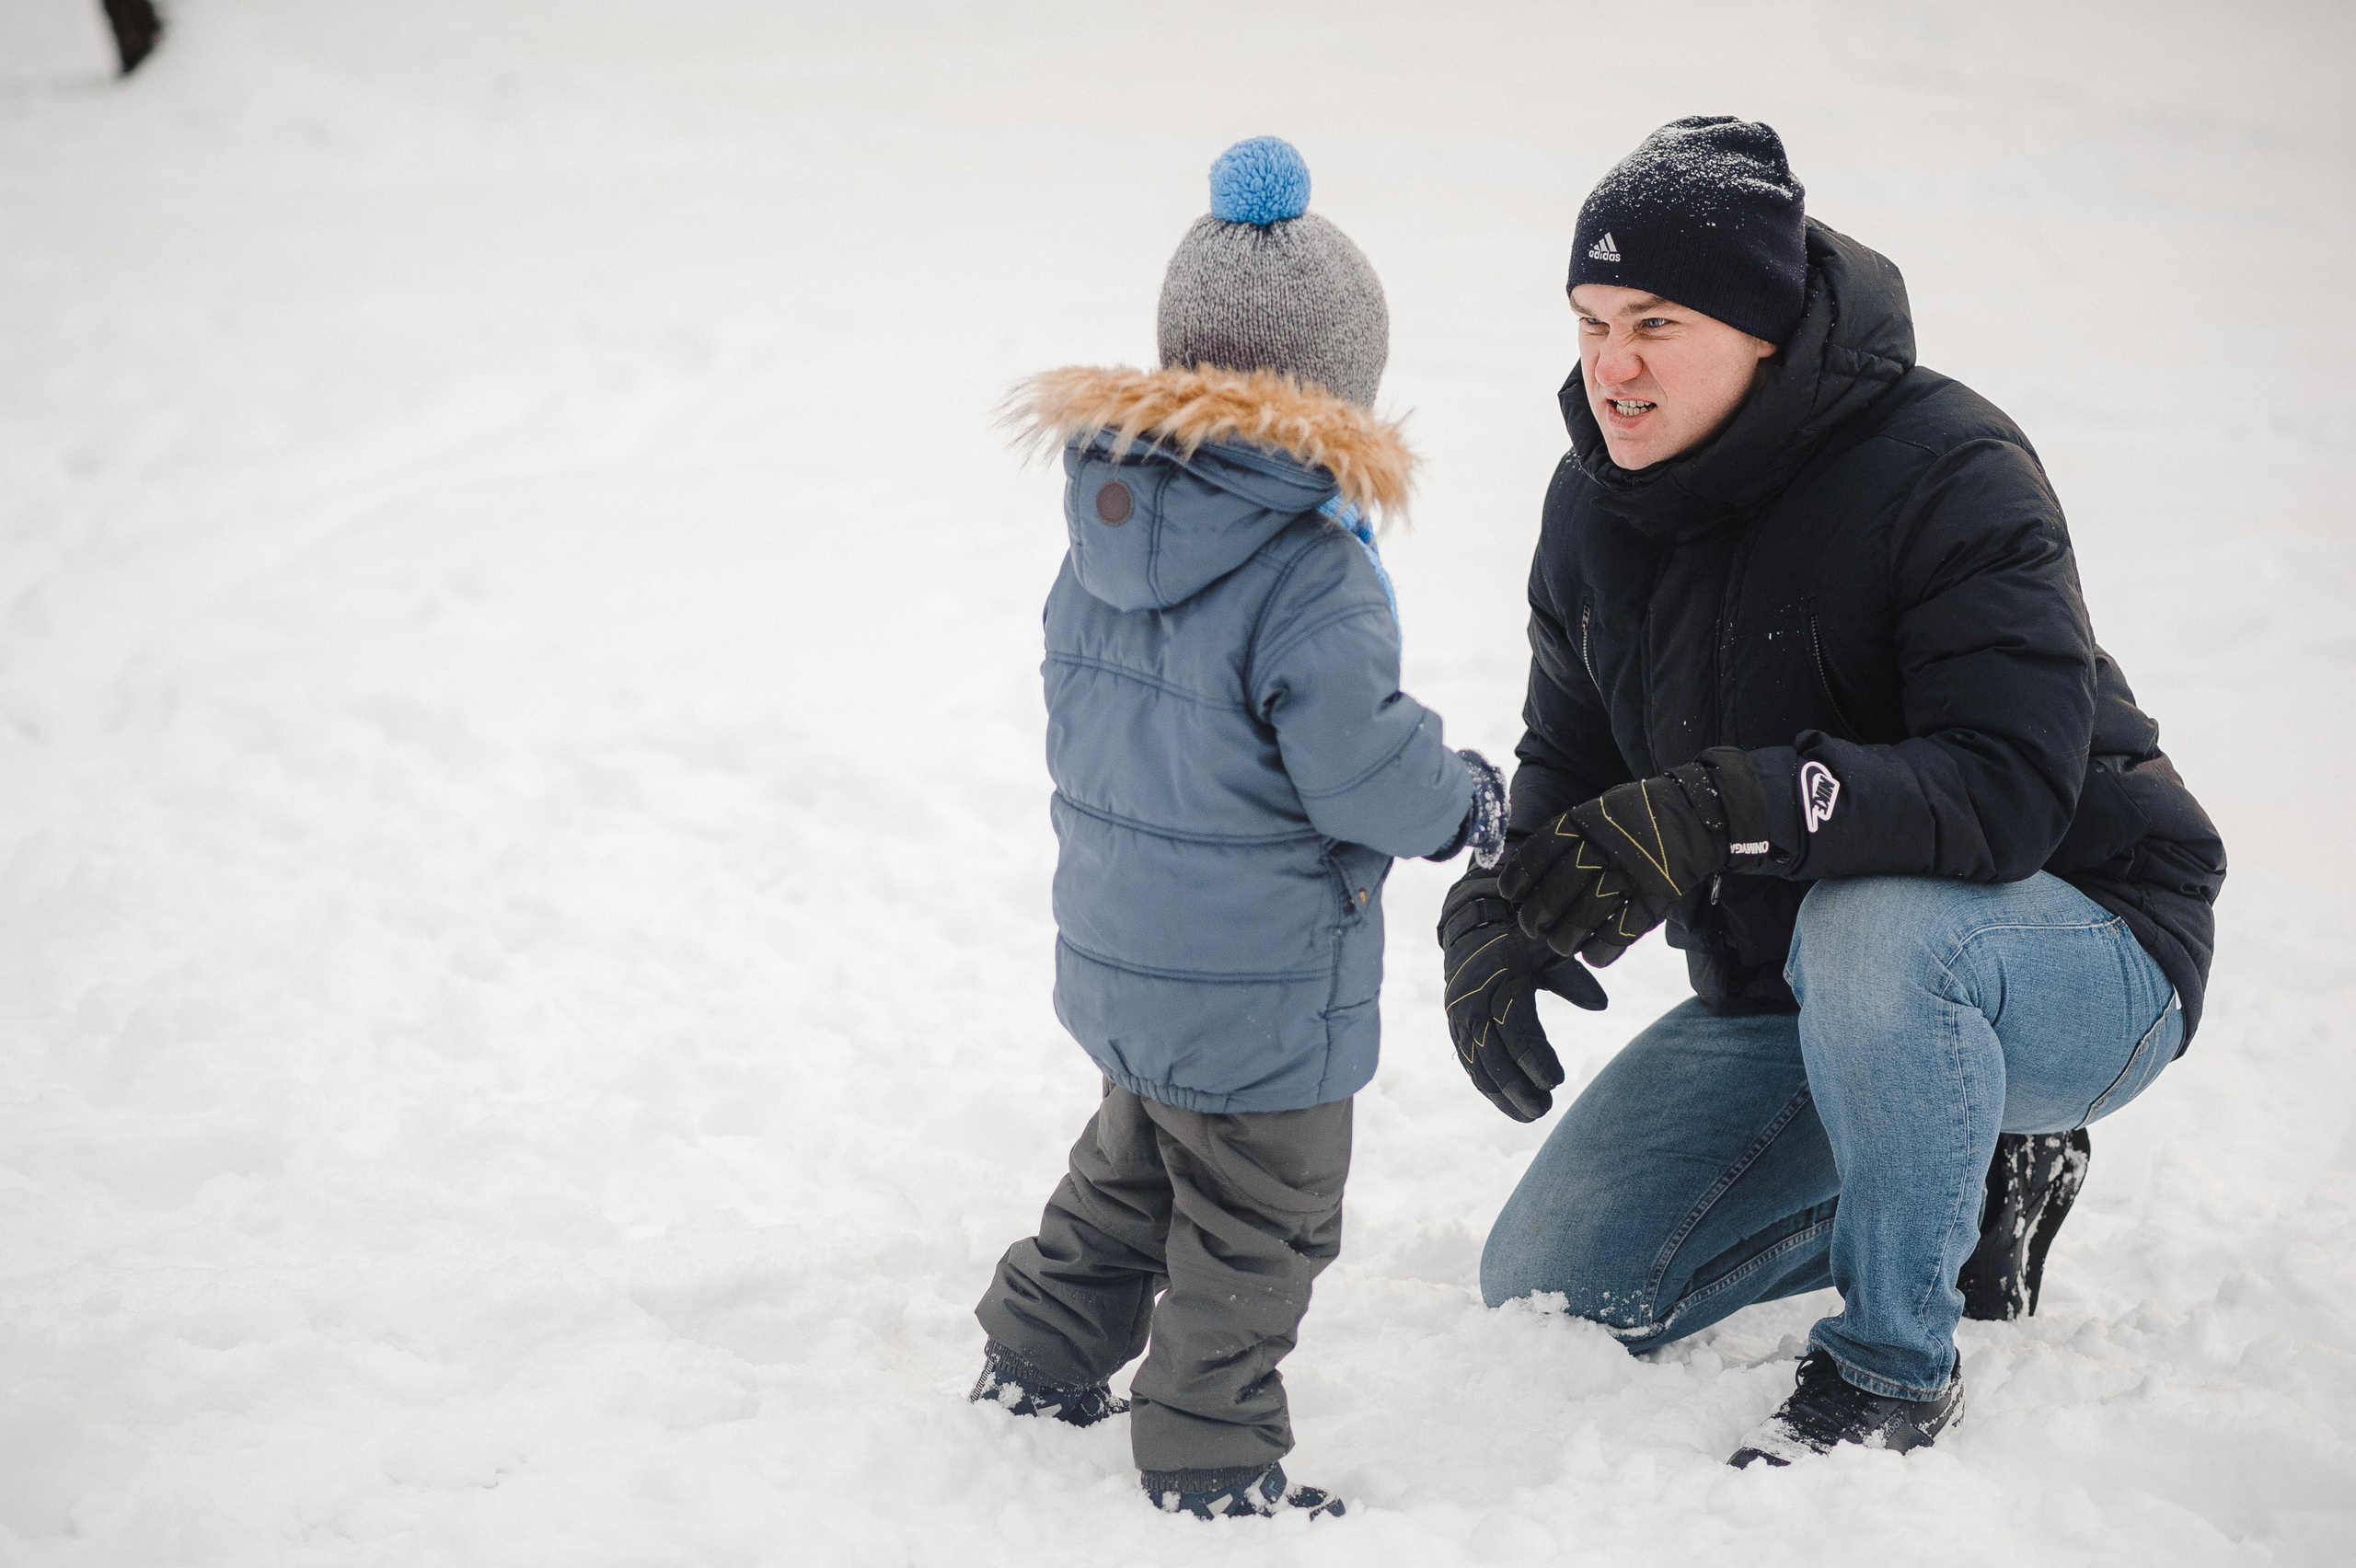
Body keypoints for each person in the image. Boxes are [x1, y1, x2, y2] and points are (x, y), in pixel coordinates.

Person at [1438, 117, 2224, 1466]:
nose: (1611, 368)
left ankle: (1888, 1372)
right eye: (1589, 323)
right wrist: (1508, 903)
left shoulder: (1949, 470)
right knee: (1564, 1289)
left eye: (1656, 323)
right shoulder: (1595, 508)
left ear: (1761, 325)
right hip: (1803, 988)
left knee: (1877, 923)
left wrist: (1722, 807)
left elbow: (2006, 793)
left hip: (2078, 945)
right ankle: (1965, 1176)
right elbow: (1573, 761)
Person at [972, 137, 1507, 1518]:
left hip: (1128, 948)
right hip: (1263, 987)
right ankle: (1210, 1453)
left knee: (1130, 1170)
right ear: (1338, 393)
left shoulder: (1103, 528)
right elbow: (1359, 773)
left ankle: (1036, 1359)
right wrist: (1458, 800)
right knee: (1259, 1222)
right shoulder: (1312, 570)